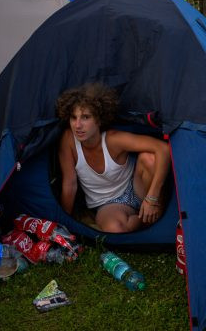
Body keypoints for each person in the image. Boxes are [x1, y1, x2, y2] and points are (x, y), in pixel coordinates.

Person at [56, 83, 171, 233]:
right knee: (114, 228)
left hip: (137, 188)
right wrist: (64, 223)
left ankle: (154, 211)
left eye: (85, 117)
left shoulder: (113, 140)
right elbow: (69, 185)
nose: (78, 125)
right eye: (73, 117)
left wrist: (152, 198)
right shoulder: (68, 140)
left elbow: (163, 148)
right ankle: (147, 221)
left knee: (150, 158)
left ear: (98, 120)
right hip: (108, 203)